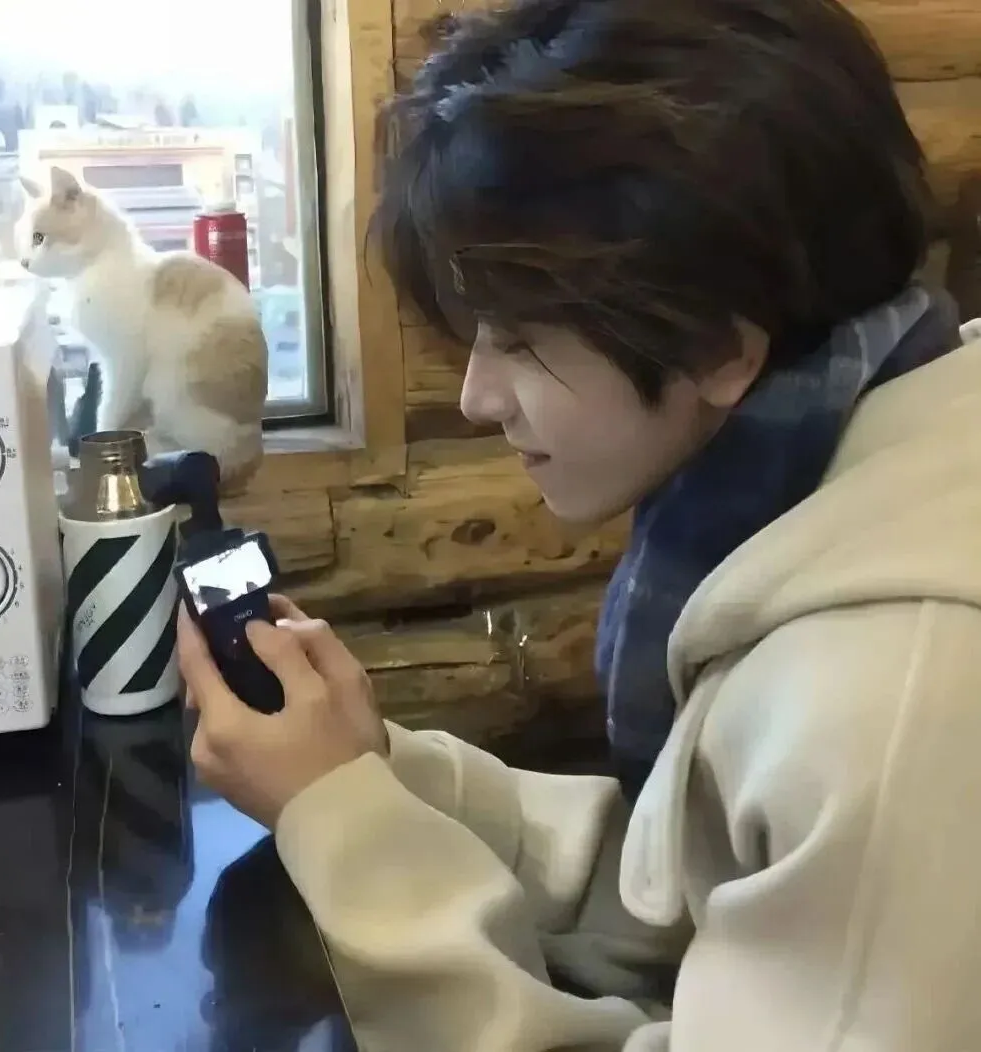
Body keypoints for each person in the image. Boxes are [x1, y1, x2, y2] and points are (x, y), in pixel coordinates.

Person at [176, 0, 981, 1048]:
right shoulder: (838, 447)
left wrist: (344, 825)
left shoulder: (893, 690)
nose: (476, 397)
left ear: (715, 347)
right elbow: (703, 877)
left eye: (516, 338)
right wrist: (375, 773)